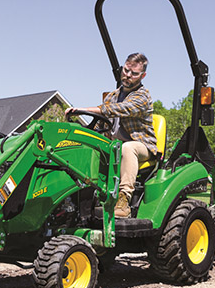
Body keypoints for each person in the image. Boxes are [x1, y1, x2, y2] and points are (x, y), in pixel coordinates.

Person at [65, 53, 157, 218]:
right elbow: (101, 123)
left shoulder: (143, 96)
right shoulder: (112, 96)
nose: (127, 75)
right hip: (113, 146)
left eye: (134, 73)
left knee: (127, 148)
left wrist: (85, 109)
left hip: (141, 145)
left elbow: (120, 109)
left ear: (142, 76)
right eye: (126, 70)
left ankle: (123, 200)